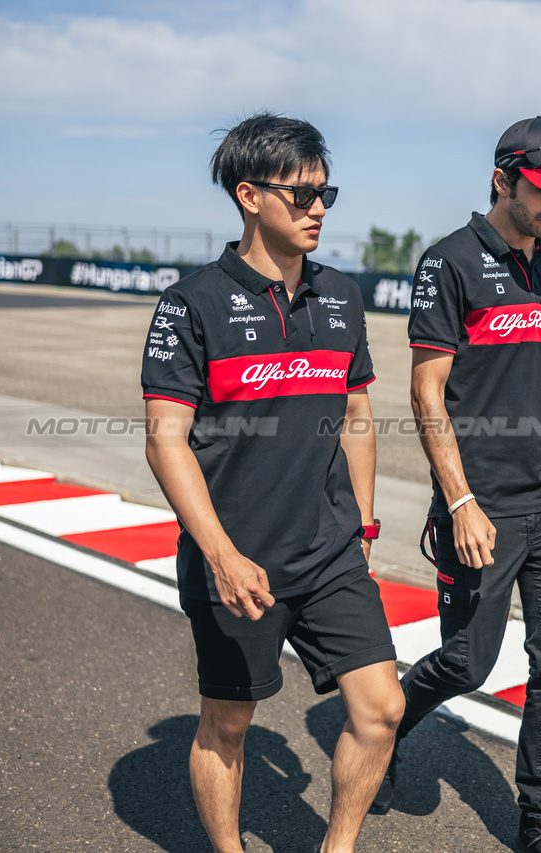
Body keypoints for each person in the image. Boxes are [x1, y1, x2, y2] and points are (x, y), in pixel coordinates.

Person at [141, 113, 403, 853]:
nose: (319, 208)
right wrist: (220, 553)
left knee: (381, 708)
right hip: (236, 556)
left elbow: (357, 413)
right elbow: (166, 441)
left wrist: (365, 524)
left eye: (327, 193)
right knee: (228, 724)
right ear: (250, 196)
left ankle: (338, 846)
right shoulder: (189, 304)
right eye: (302, 194)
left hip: (329, 549)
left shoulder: (343, 297)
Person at [372, 116, 541, 853]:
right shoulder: (450, 262)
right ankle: (385, 723)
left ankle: (540, 823)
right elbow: (426, 392)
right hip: (483, 503)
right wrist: (460, 501)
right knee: (469, 662)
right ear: (503, 179)